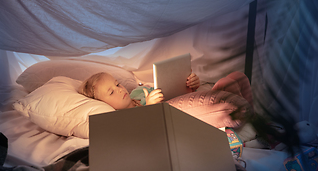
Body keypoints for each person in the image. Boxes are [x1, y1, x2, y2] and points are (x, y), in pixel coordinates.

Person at [78, 71, 253, 111]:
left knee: (237, 77)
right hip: (180, 112)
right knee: (223, 99)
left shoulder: (138, 92)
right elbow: (146, 130)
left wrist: (192, 85)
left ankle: (259, 123)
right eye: (111, 93)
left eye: (117, 84)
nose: (119, 89)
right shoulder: (125, 117)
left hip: (185, 101)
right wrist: (151, 108)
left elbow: (170, 92)